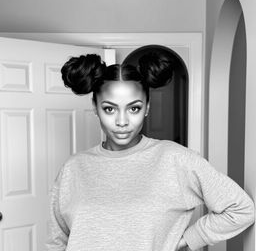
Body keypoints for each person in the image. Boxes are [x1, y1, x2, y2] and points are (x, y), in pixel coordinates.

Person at [46, 53, 255, 251]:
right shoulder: (73, 168)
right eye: (110, 108)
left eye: (133, 108)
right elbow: (57, 242)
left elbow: (241, 209)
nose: (122, 121)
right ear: (95, 107)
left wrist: (185, 241)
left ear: (147, 107)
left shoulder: (175, 159)